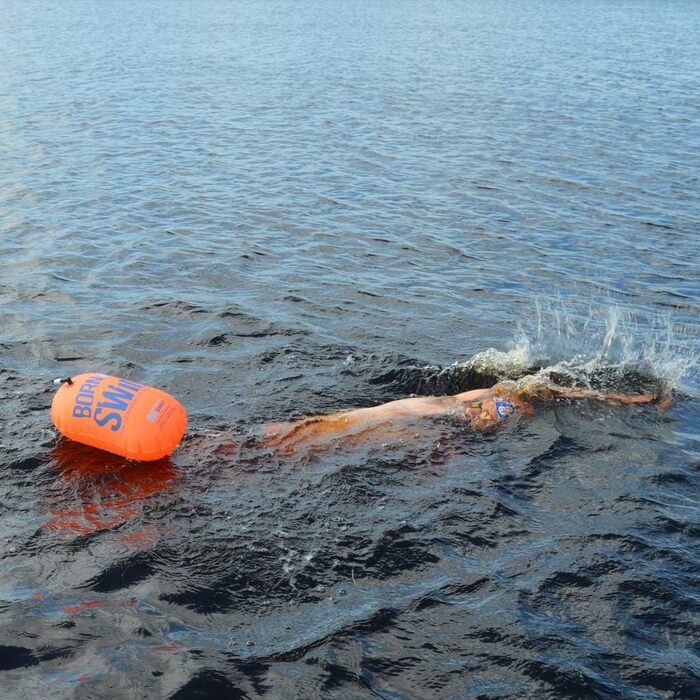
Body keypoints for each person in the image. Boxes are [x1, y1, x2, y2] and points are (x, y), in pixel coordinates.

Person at [261, 376, 666, 454]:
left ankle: (632, 399)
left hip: (361, 421)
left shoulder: (466, 402)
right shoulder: (467, 402)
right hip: (365, 424)